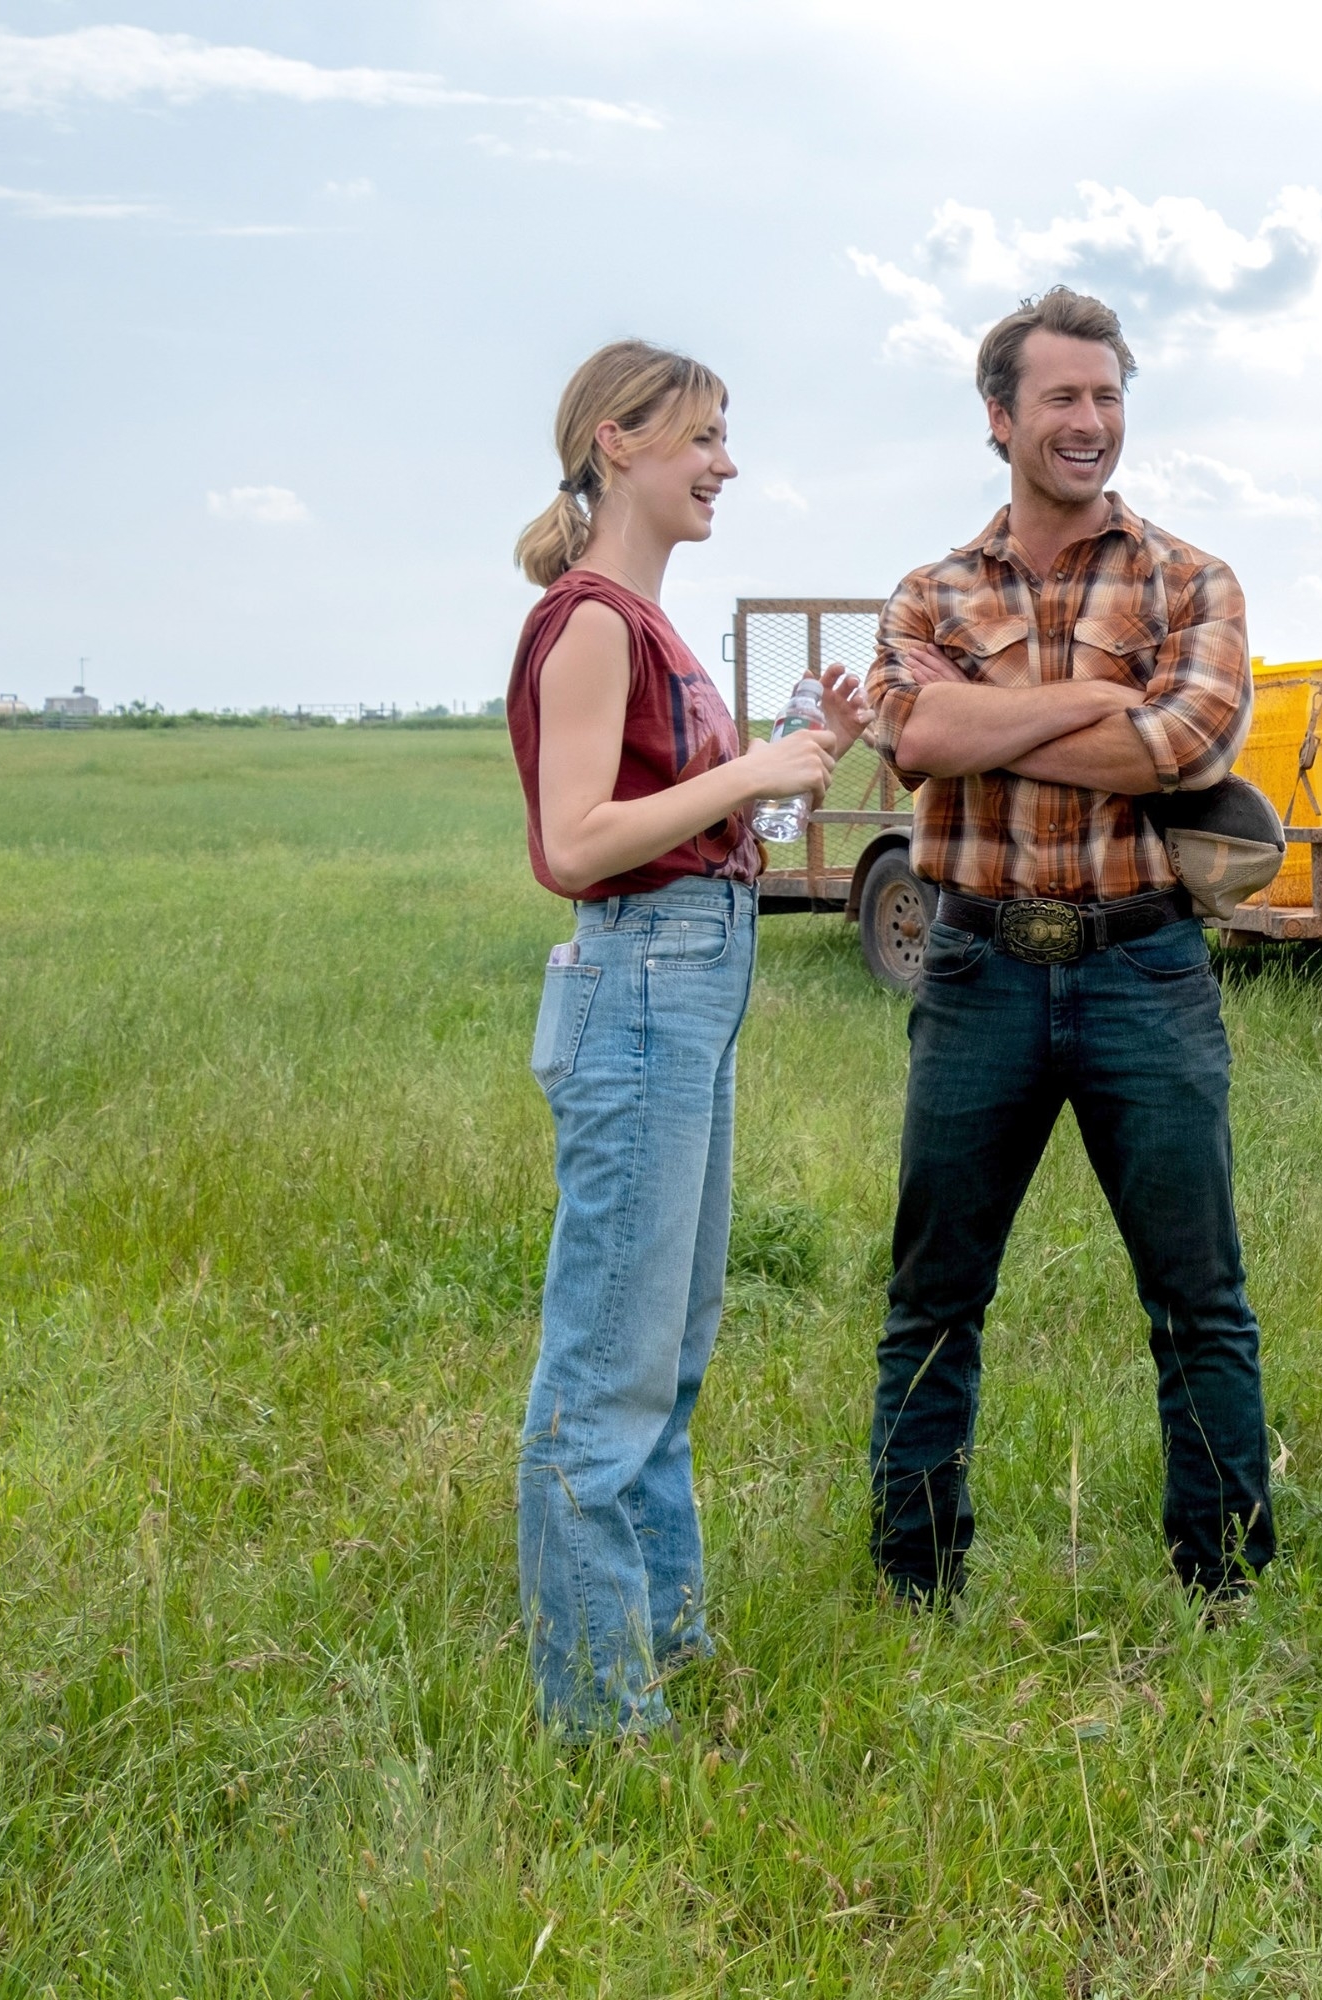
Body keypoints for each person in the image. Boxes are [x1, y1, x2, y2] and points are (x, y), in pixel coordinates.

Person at [860, 286, 1269, 1608]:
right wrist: (1094, 697)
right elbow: (912, 742)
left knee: (1197, 1298)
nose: (1089, 423)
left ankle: (1221, 1579)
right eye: (1061, 399)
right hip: (974, 971)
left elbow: (1185, 746)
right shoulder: (927, 591)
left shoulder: (1193, 581)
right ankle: (916, 1579)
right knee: (936, 1295)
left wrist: (990, 716)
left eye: (1106, 397)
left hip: (1141, 969)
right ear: (1001, 417)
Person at [505, 339, 863, 1736]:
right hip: (642, 987)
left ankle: (668, 1645)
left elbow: (718, 833)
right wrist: (752, 770)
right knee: (605, 1368)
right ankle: (600, 1720)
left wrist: (793, 746)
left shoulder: (651, 626)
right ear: (616, 441)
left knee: (671, 1350)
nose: (727, 464)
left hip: (690, 981)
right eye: (704, 437)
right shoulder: (591, 617)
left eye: (726, 437)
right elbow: (577, 841)